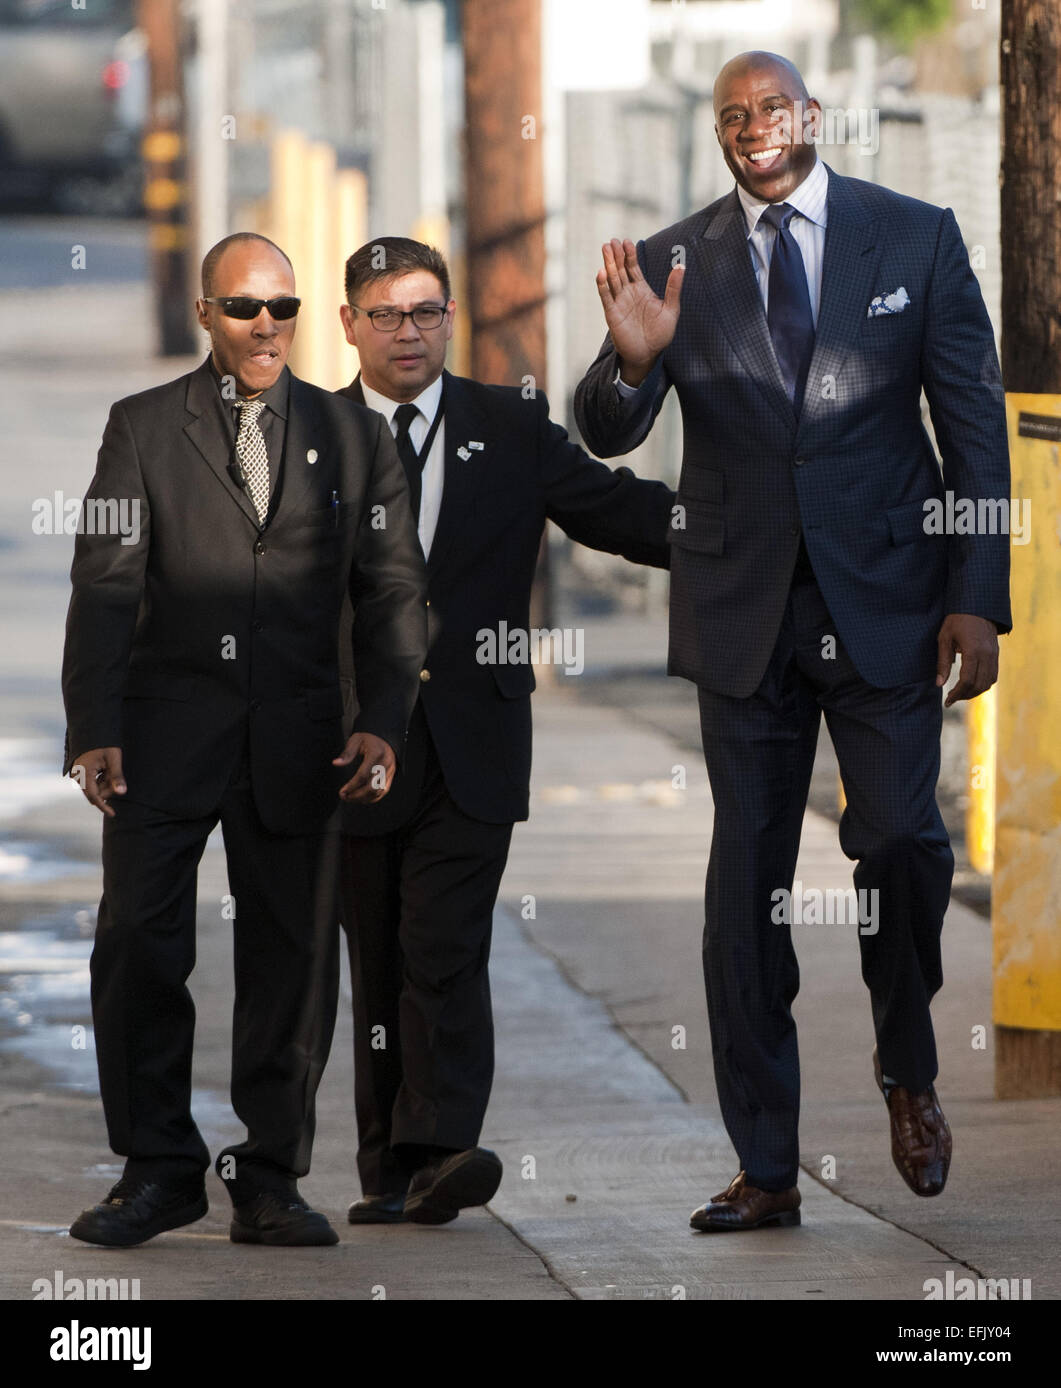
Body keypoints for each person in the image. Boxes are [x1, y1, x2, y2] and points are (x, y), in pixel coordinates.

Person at [574, 52, 1011, 1231]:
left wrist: (977, 590)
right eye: (732, 117)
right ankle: (765, 1166)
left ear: (810, 116)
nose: (752, 131)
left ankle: (905, 1065)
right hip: (742, 612)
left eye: (770, 110)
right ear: (715, 134)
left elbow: (970, 423)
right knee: (744, 899)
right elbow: (605, 429)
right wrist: (633, 357)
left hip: (887, 601)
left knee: (906, 847)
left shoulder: (911, 236)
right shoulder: (672, 256)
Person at [61, 232, 426, 1248]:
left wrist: (381, 719)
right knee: (136, 943)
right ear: (206, 315)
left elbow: (391, 591)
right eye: (244, 308)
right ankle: (158, 1168)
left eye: (283, 309)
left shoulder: (354, 440)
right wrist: (94, 725)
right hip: (161, 737)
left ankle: (270, 1177)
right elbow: (105, 583)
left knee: (292, 961)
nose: (265, 327)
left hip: (301, 742)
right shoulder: (140, 427)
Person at [336, 236, 674, 1225]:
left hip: (475, 736)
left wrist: (764, 535)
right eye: (387, 313)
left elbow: (618, 513)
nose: (409, 331)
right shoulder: (308, 433)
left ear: (450, 318)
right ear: (350, 322)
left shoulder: (507, 423)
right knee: (379, 958)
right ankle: (385, 1168)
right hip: (351, 748)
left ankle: (441, 1148)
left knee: (444, 943)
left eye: (426, 311)